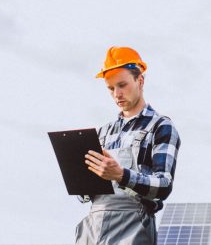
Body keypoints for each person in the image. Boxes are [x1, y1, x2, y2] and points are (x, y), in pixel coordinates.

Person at [75, 46, 181, 245]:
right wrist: (79, 177)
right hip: (93, 228)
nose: (117, 94)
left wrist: (121, 175)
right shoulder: (103, 132)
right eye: (110, 88)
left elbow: (164, 185)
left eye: (122, 85)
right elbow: (85, 196)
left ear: (140, 81)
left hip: (132, 227)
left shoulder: (160, 126)